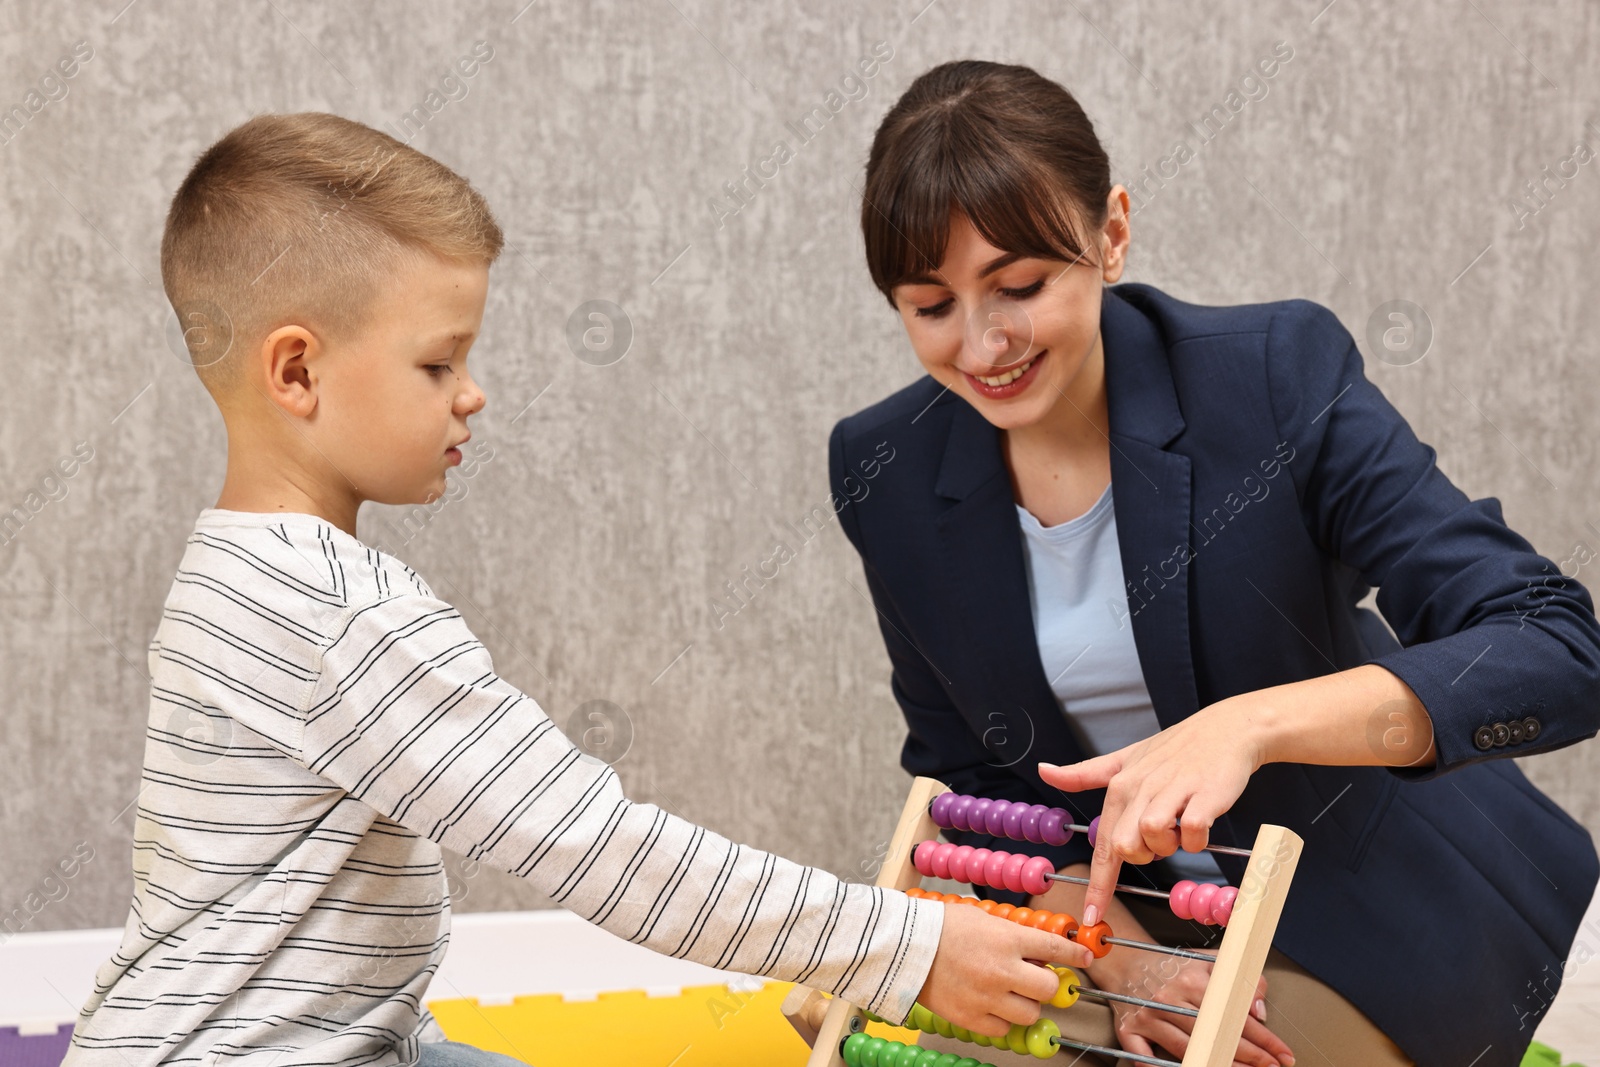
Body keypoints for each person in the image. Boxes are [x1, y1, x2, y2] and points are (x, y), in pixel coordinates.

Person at [62, 112, 1094, 1067]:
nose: (473, 392)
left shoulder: (232, 564)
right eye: (437, 363)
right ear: (296, 372)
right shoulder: (340, 613)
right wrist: (895, 944)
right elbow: (597, 849)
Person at [829, 60, 1600, 1067]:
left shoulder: (1270, 377)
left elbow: (1555, 642)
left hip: (1378, 911)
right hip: (1130, 934)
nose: (982, 345)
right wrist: (1124, 960)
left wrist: (1249, 724)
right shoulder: (882, 467)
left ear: (1110, 234)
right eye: (931, 306)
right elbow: (973, 774)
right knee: (838, 1019)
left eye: (1019, 286)